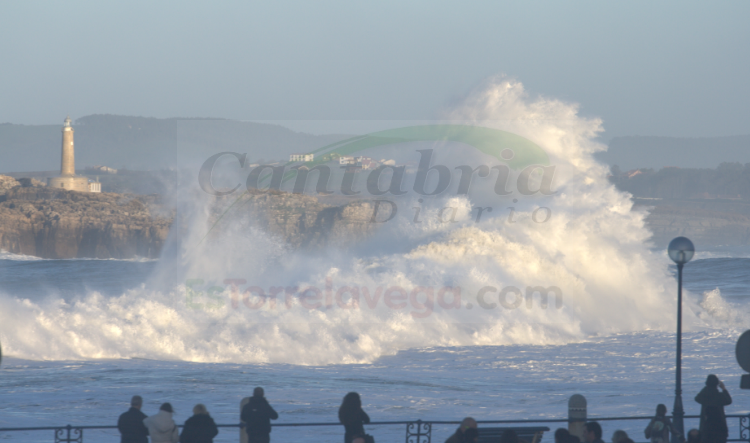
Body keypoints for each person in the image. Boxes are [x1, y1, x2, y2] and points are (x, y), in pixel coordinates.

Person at [695, 375, 732, 443]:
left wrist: (707, 387)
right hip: (719, 425)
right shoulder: (719, 396)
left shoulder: (704, 396)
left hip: (706, 425)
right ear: (717, 384)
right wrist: (723, 388)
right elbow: (729, 401)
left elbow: (697, 398)